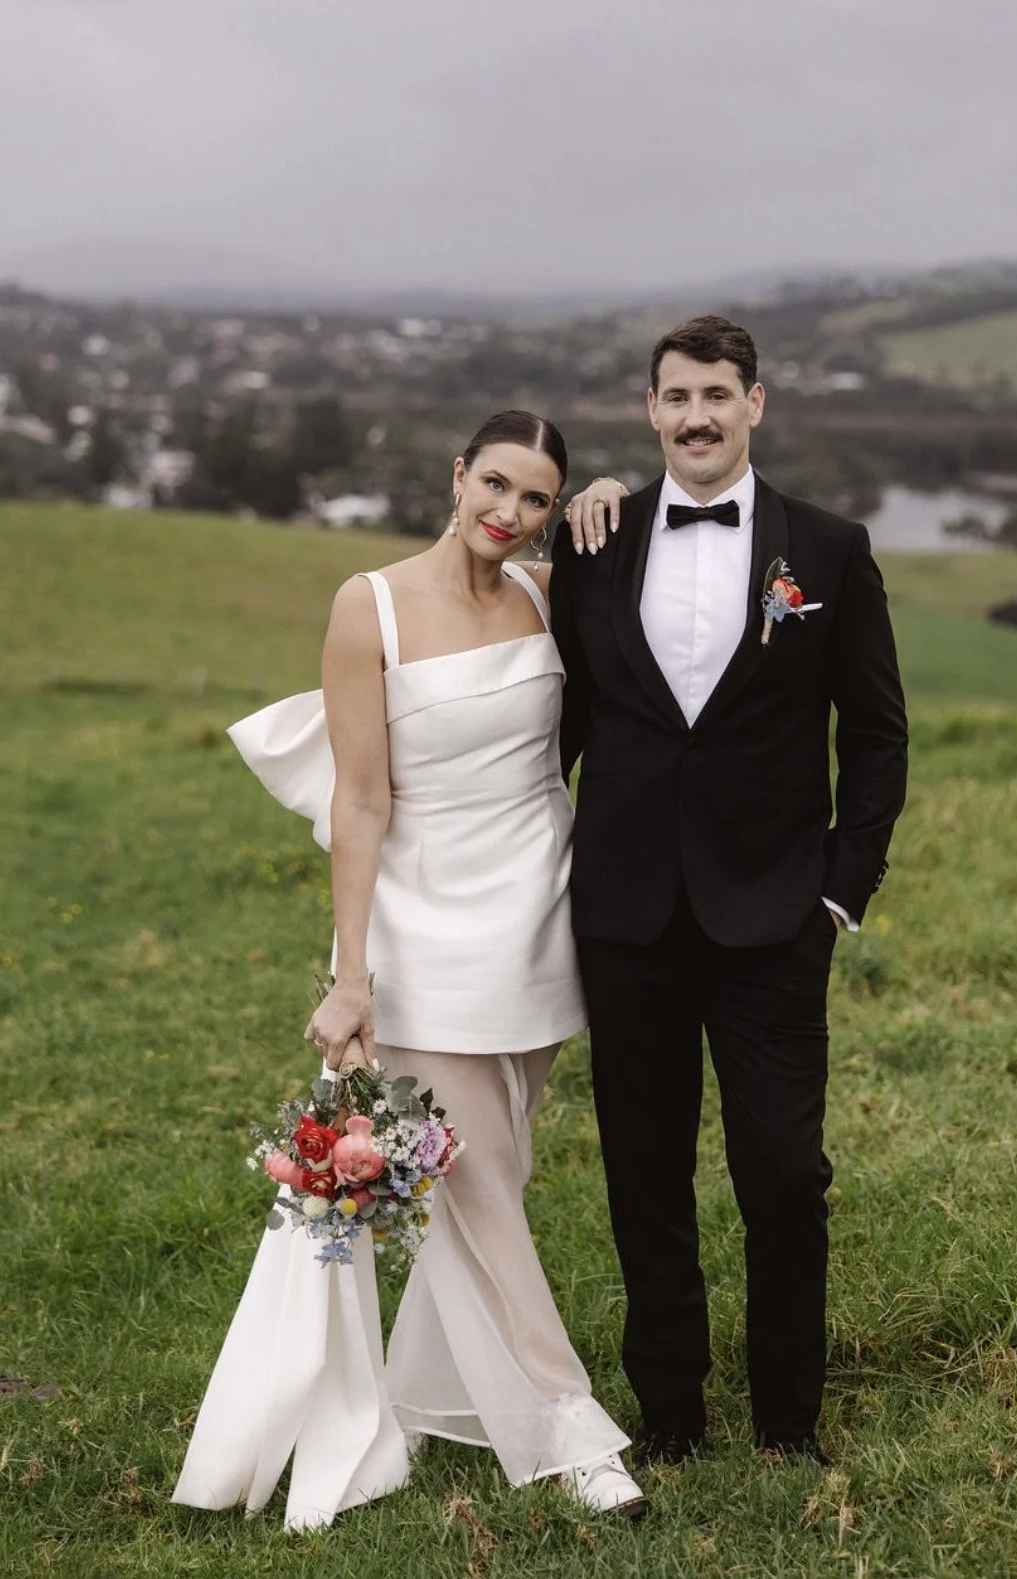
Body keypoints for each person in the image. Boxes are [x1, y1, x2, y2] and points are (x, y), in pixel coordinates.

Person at [173, 410, 646, 1528]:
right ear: (455, 475)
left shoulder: (543, 591)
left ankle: (440, 1389)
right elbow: (361, 797)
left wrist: (612, 489)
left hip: (542, 917)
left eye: (536, 498)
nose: (510, 513)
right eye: (495, 484)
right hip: (424, 930)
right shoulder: (368, 603)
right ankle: (568, 1426)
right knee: (475, 1184)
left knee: (502, 1177)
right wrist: (352, 973)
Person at [551, 316, 908, 1465]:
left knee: (784, 1173)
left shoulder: (834, 549)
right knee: (642, 1176)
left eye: (717, 394)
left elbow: (880, 733)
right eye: (675, 397)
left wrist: (842, 890)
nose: (696, 416)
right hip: (627, 917)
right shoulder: (595, 542)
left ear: (757, 403)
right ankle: (668, 1419)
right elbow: (555, 729)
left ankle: (788, 1422)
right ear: (649, 410)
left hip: (774, 918)